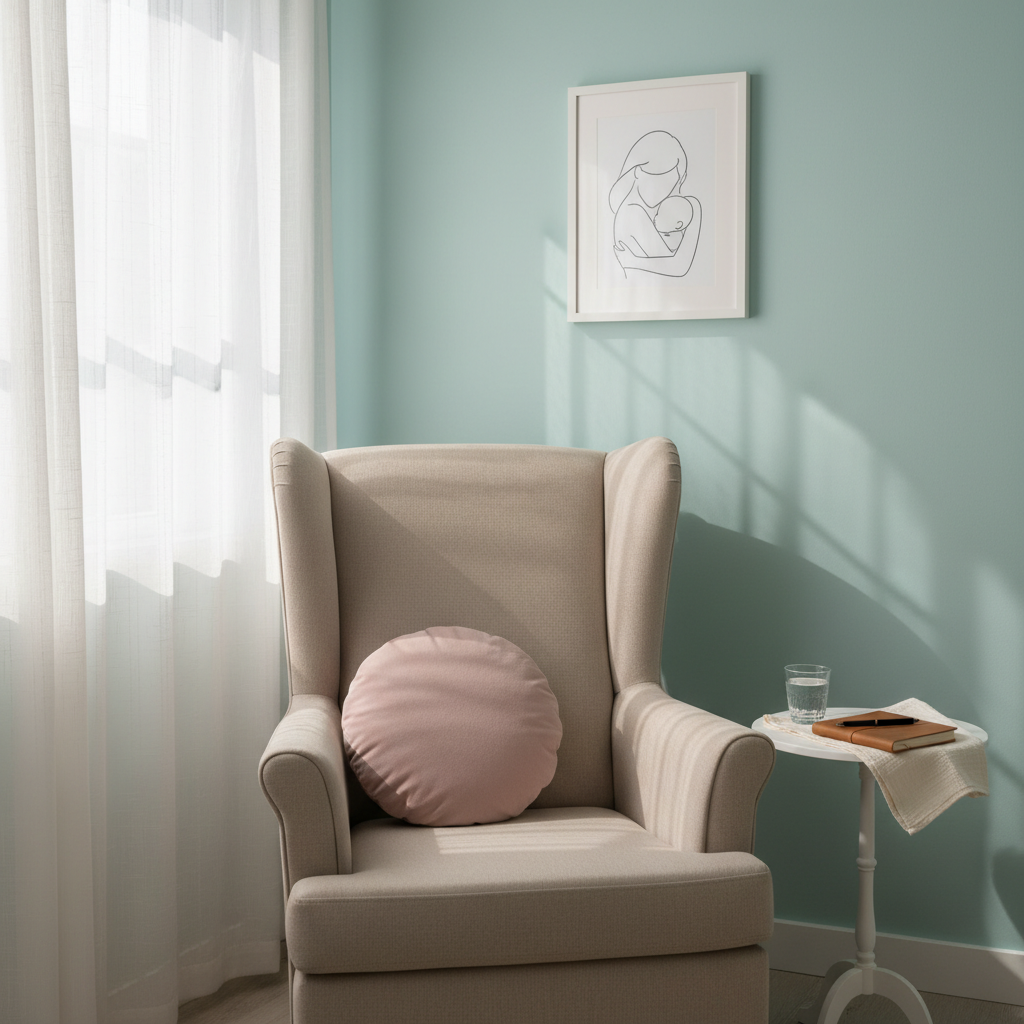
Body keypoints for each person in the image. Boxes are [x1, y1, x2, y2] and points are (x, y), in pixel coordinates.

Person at [608, 130, 702, 279]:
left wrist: (633, 261)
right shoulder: (632, 212)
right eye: (657, 179)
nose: (662, 192)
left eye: (669, 184)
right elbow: (677, 266)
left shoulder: (671, 207)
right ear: (637, 172)